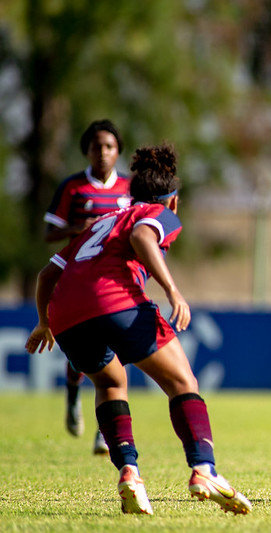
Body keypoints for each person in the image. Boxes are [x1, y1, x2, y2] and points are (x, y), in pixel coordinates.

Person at [26, 144, 252, 515]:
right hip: (116, 302)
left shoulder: (99, 223)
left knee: (110, 383)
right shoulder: (157, 213)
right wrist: (173, 291)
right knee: (182, 383)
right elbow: (143, 238)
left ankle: (129, 472)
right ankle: (204, 469)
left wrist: (44, 322)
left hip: (67, 317)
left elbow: (47, 274)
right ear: (173, 201)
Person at [44, 119, 132, 455]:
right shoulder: (73, 188)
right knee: (84, 353)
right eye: (97, 146)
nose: (103, 153)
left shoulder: (129, 188)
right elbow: (50, 233)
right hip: (78, 280)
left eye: (109, 146)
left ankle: (103, 431)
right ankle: (72, 396)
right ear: (87, 151)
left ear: (118, 151)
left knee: (115, 353)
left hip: (114, 282)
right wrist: (80, 228)